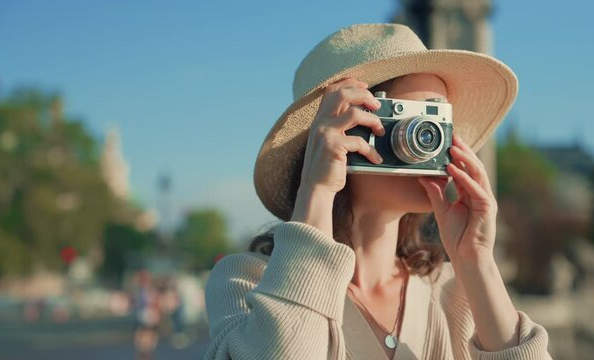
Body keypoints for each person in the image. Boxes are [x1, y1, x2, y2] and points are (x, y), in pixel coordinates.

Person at [203, 23, 551, 360]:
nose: (426, 140)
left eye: (439, 119)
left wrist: (476, 260)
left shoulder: (458, 292)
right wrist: (319, 189)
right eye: (407, 118)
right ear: (339, 133)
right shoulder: (247, 282)